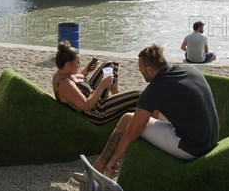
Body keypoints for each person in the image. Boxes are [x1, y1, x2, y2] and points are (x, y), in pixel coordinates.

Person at [90, 44, 218, 177]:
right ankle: (100, 166)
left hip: (192, 147)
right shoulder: (187, 69)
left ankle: (100, 167)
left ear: (150, 69)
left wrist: (114, 159)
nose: (139, 71)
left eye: (140, 68)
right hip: (211, 139)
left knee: (127, 119)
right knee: (148, 113)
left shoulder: (154, 90)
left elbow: (132, 131)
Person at [52, 41, 140, 125]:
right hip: (98, 112)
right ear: (68, 64)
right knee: (137, 95)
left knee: (110, 65)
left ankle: (116, 95)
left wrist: (87, 70)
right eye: (77, 62)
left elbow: (76, 82)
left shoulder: (62, 73)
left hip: (92, 94)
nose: (79, 64)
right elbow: (86, 106)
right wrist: (101, 86)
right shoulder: (65, 84)